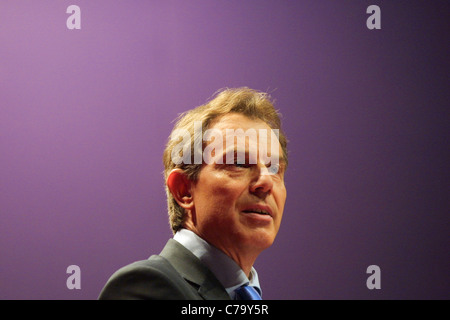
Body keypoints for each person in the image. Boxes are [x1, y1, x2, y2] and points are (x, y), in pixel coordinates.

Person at [98, 87, 288, 300]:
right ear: (184, 190)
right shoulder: (145, 288)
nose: (265, 182)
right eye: (239, 163)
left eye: (274, 169)